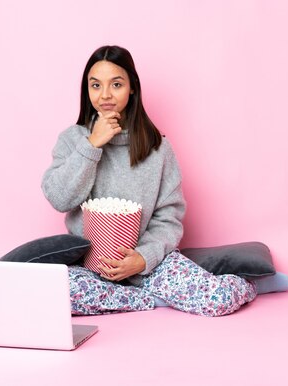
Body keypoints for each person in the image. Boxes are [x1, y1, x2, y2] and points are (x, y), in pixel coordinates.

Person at [41, 45, 256, 316]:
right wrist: (92, 144)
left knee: (217, 300)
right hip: (89, 268)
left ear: (132, 87)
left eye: (116, 84)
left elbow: (169, 217)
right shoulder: (72, 140)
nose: (105, 95)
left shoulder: (157, 148)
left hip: (148, 264)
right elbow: (59, 199)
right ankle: (148, 300)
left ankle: (250, 283)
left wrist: (143, 258)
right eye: (95, 85)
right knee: (53, 296)